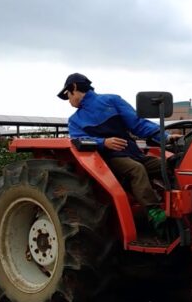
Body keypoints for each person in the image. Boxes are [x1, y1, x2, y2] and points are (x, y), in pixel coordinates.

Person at [57, 73, 177, 231]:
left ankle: (177, 204)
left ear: (73, 88)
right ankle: (153, 212)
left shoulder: (112, 101)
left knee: (169, 165)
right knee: (136, 169)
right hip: (109, 159)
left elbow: (138, 124)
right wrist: (104, 143)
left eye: (68, 96)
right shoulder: (75, 120)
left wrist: (167, 138)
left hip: (133, 153)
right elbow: (79, 141)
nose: (69, 101)